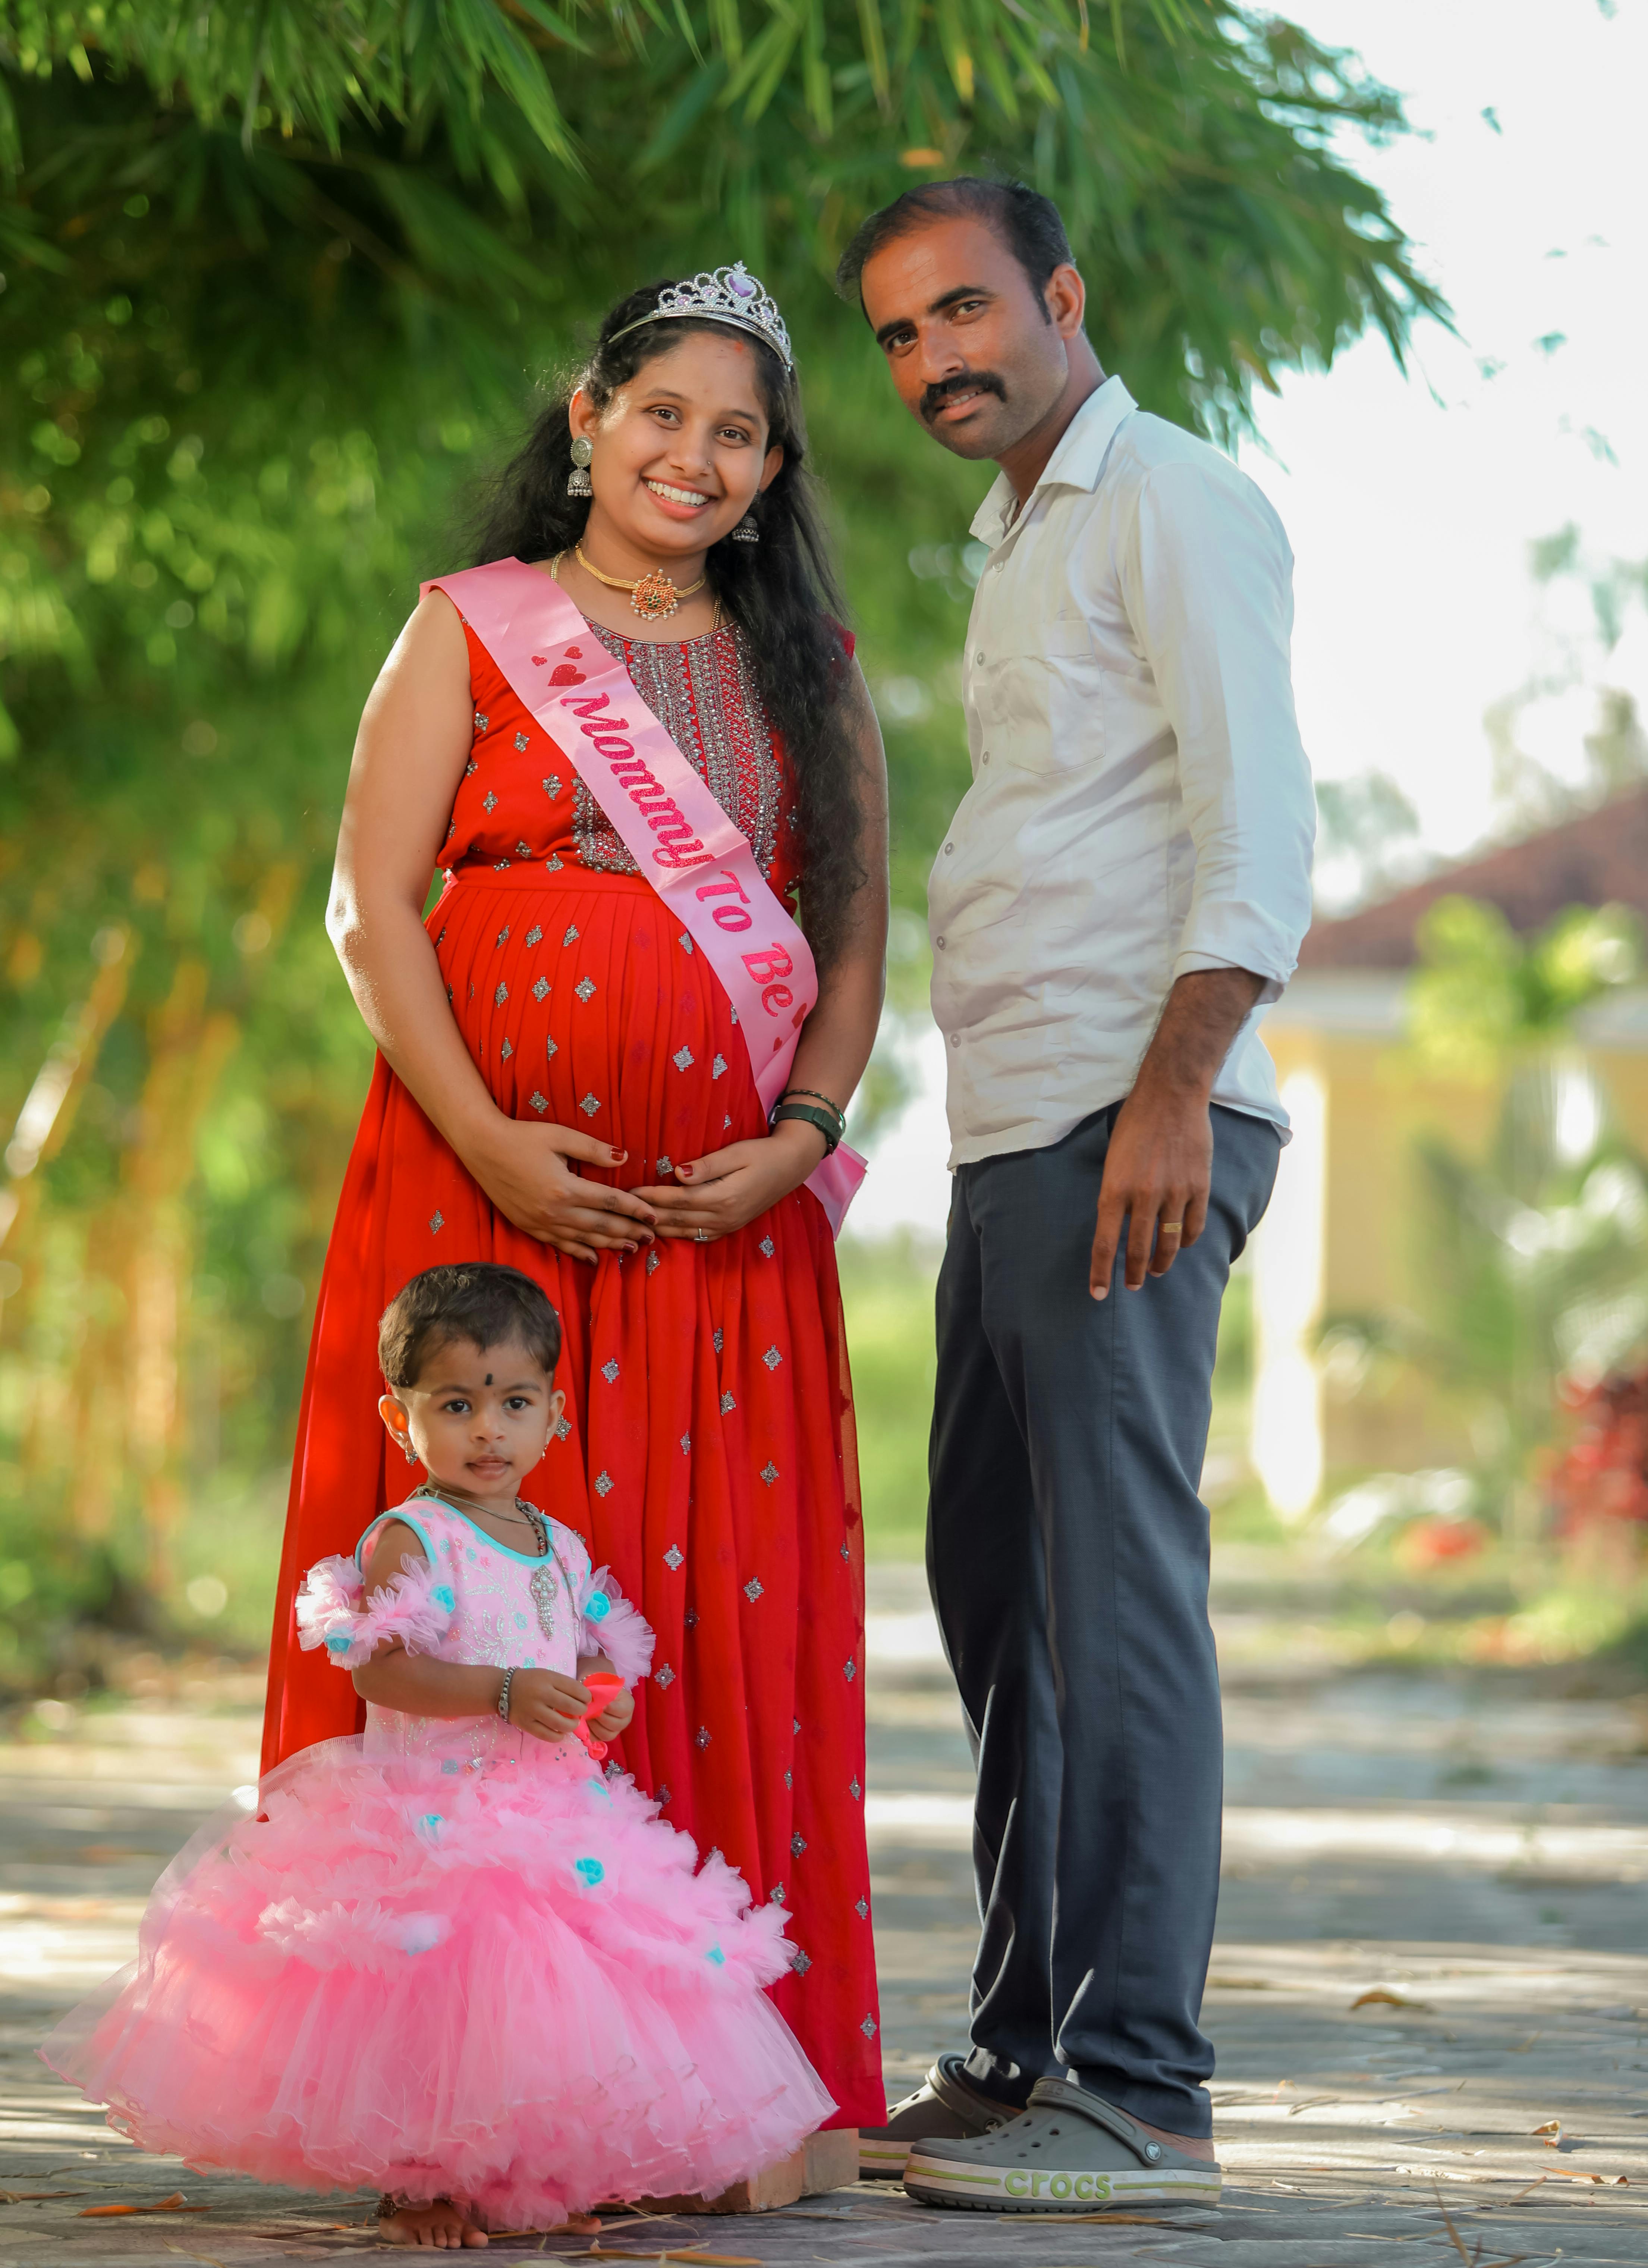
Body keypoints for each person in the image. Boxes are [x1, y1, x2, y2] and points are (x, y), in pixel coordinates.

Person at [259, 267, 890, 2139]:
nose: (694, 456)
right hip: (482, 1184)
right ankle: (470, 2093)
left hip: (726, 1217)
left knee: (695, 1595)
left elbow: (853, 935)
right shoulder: (469, 630)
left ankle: (702, 2090)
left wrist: (802, 1130)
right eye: (663, 415)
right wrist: (489, 1139)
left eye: (738, 434)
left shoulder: (813, 668)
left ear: (771, 475)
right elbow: (371, 906)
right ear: (587, 420)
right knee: (496, 1599)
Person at [838, 180, 1314, 2211]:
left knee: (1110, 1606)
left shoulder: (1168, 498)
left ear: (1061, 297)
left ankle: (1140, 2085)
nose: (937, 356)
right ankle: (1025, 2040)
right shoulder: (1015, 531)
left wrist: (1173, 1092)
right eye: (895, 334)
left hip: (1130, 1116)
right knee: (1002, 1598)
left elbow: (1256, 813)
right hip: (1011, 1123)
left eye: (965, 310)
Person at [43, 1265, 835, 2243]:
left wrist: (597, 1693)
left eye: (513, 1402)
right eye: (456, 1404)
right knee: (432, 2001)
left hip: (555, 1820)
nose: (488, 1429)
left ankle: (537, 2170)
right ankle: (422, 2180)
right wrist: (499, 1691)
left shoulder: (560, 1544)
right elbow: (382, 1672)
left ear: (553, 1412)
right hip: (433, 1816)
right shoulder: (413, 1539)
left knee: (555, 2005)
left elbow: (578, 1646)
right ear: (397, 1417)